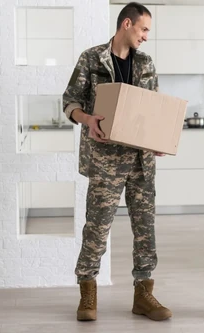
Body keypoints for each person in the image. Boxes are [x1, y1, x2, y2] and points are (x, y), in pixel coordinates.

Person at [62, 2, 171, 323]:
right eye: (144, 29)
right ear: (127, 24)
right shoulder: (91, 58)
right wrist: (87, 119)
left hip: (141, 162)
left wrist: (159, 138)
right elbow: (70, 101)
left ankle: (143, 294)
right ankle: (87, 292)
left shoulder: (147, 63)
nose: (147, 36)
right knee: (97, 227)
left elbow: (153, 109)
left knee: (145, 229)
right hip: (105, 162)